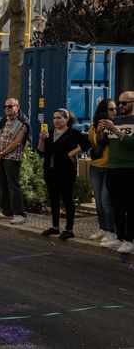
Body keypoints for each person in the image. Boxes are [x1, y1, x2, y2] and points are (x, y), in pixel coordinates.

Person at [38, 109, 91, 240]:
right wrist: (41, 138)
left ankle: (69, 229)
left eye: (59, 118)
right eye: (54, 118)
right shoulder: (49, 133)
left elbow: (87, 144)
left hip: (67, 170)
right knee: (53, 198)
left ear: (66, 119)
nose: (56, 120)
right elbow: (41, 151)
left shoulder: (73, 133)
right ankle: (55, 227)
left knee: (67, 199)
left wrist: (71, 153)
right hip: (50, 170)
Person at [99, 91, 134, 253]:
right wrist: (100, 131)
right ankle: (120, 237)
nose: (120, 106)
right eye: (119, 103)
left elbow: (131, 144)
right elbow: (103, 143)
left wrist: (115, 130)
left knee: (130, 206)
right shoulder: (116, 120)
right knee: (117, 206)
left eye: (124, 103)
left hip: (129, 169)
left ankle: (130, 239)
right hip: (112, 169)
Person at [0, 98, 30, 225]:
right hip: (0, 157)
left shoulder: (23, 122)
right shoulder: (4, 120)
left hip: (12, 158)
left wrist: (2, 153)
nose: (7, 108)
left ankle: (20, 214)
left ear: (17, 107)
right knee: (2, 185)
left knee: (13, 186)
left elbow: (17, 142)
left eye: (10, 106)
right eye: (5, 106)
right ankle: (7, 212)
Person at [87, 99, 116, 241]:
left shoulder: (119, 125)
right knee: (98, 201)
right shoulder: (93, 128)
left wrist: (112, 128)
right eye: (111, 109)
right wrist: (99, 132)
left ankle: (112, 231)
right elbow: (95, 145)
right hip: (96, 167)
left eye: (115, 108)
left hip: (111, 167)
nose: (115, 111)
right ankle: (103, 229)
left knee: (106, 200)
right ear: (104, 111)